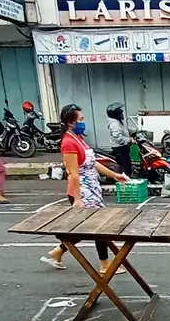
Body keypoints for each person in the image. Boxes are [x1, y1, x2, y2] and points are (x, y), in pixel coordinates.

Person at [41, 104, 129, 273]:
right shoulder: (68, 143)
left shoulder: (78, 138)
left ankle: (57, 252)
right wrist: (78, 199)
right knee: (100, 228)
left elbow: (92, 163)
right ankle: (105, 265)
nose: (83, 122)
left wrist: (114, 175)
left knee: (86, 229)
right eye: (80, 120)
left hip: (92, 189)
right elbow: (74, 174)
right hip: (82, 191)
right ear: (70, 123)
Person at [106, 102, 135, 177]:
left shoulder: (119, 122)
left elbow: (126, 129)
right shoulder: (114, 124)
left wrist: (137, 130)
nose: (122, 113)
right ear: (116, 114)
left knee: (127, 165)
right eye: (120, 112)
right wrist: (129, 140)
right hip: (120, 149)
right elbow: (118, 138)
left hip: (124, 148)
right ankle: (125, 183)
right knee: (125, 167)